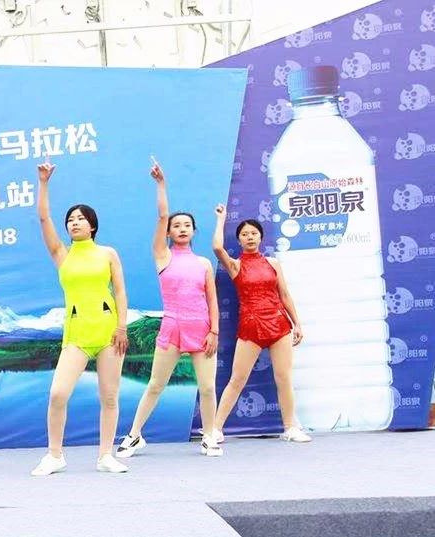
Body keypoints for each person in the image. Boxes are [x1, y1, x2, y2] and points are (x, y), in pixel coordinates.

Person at [30, 159, 130, 476]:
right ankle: (55, 455)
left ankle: (106, 455)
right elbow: (43, 217)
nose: (74, 223)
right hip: (77, 333)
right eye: (70, 220)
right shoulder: (62, 254)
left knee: (109, 396)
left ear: (92, 226)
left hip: (108, 331)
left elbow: (120, 291)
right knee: (58, 393)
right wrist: (43, 182)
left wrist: (122, 327)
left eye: (80, 219)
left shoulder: (107, 253)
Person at [117, 162, 222, 458]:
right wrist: (161, 183)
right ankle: (134, 435)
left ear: (194, 230)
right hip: (172, 327)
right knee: (155, 385)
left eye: (187, 225)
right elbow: (163, 214)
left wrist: (214, 331)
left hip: (202, 329)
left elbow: (212, 301)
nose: (181, 228)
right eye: (176, 226)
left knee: (207, 387)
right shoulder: (162, 256)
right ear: (168, 232)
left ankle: (209, 436)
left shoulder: (203, 263)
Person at [210, 205, 311, 444]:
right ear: (239, 240)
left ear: (261, 237)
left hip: (279, 324)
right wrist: (221, 219)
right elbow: (216, 248)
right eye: (245, 234)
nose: (250, 237)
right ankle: (215, 429)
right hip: (251, 326)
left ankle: (290, 428)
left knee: (284, 377)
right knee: (237, 379)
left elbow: (284, 294)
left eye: (254, 233)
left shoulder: (273, 263)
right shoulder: (235, 265)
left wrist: (297, 323)